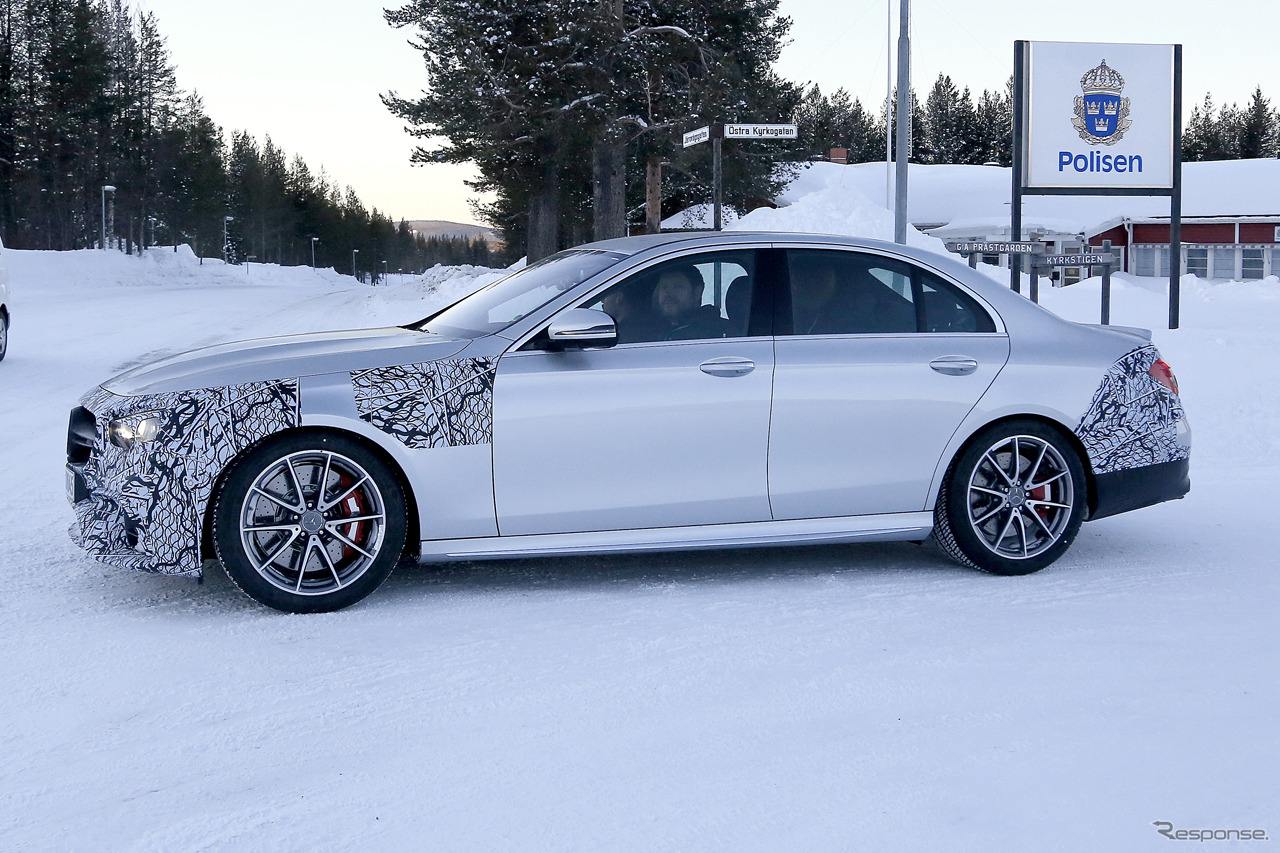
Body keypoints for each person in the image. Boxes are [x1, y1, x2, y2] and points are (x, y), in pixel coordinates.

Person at [653, 266, 725, 341]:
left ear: (697, 292)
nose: (667, 293)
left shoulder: (709, 333)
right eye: (664, 287)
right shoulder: (652, 330)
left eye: (677, 287)